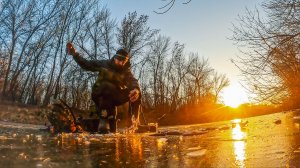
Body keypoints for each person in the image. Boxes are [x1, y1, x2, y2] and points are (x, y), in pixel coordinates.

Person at [66, 42, 141, 133]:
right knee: (107, 86)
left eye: (123, 61)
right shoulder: (104, 64)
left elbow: (132, 80)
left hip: (115, 96)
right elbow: (86, 64)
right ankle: (104, 118)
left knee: (136, 92)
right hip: (99, 93)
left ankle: (134, 123)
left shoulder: (125, 71)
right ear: (114, 58)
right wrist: (74, 54)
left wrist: (135, 89)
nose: (121, 63)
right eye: (119, 60)